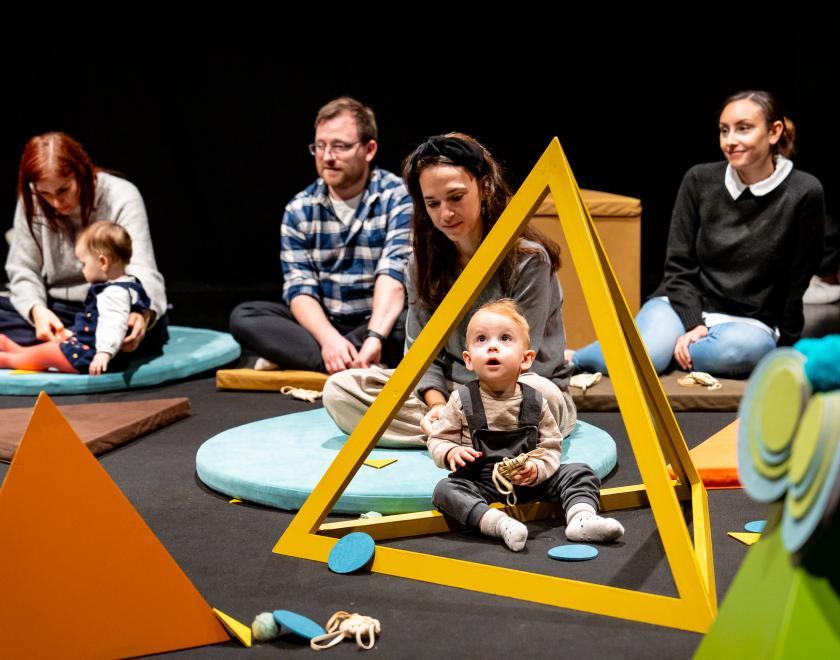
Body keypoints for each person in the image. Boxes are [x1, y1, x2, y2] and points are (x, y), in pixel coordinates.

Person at [323, 133, 577, 447]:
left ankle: (458, 434)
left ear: (484, 187)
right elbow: (421, 355)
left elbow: (519, 359)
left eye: (456, 198)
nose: (445, 213)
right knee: (341, 390)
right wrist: (438, 405)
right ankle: (474, 435)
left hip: (517, 391)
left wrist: (460, 407)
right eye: (433, 203)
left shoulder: (528, 261)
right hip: (450, 392)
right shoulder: (422, 263)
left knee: (543, 397)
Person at [571, 90, 825, 379]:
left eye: (743, 128)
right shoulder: (700, 180)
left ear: (774, 132)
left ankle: (674, 354)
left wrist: (787, 347)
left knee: (745, 351)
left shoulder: (804, 191)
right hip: (681, 306)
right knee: (645, 357)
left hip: (748, 323)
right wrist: (694, 324)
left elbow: (797, 278)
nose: (730, 140)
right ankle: (574, 357)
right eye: (724, 130)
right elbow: (678, 266)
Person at [229, 97, 412, 374]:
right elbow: (300, 287)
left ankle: (312, 359)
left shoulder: (398, 197)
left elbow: (394, 275)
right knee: (244, 316)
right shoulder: (299, 209)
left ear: (369, 149)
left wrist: (374, 336)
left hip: (381, 323)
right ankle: (356, 362)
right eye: (320, 146)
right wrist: (329, 340)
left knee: (419, 319)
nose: (327, 157)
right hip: (326, 324)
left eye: (340, 146)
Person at [428, 300, 624, 551]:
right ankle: (498, 524)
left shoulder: (535, 400)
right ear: (468, 359)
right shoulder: (460, 400)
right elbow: (438, 439)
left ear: (526, 359)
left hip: (531, 480)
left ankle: (581, 519)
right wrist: (450, 452)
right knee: (445, 490)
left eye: (505, 338)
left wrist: (537, 468)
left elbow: (551, 446)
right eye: (481, 339)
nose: (492, 347)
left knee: (579, 471)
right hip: (481, 481)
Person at [3, 132, 168, 357]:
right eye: (45, 194)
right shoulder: (31, 200)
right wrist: (37, 311)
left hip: (112, 304)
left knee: (131, 333)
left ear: (81, 173)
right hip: (58, 308)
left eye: (63, 189)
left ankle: (61, 348)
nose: (56, 202)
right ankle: (72, 346)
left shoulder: (121, 195)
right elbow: (23, 269)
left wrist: (141, 313)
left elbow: (142, 267)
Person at [0, 221, 151, 374]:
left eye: (83, 264)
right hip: (90, 344)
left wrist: (104, 353)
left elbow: (114, 324)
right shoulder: (131, 283)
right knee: (54, 346)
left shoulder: (114, 293)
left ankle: (9, 360)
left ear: (103, 262)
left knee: (50, 353)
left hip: (91, 356)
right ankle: (20, 352)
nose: (82, 270)